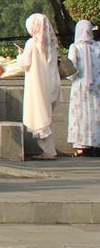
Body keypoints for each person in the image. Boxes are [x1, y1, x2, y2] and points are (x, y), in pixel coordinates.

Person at [17, 13, 62, 160]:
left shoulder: (32, 43)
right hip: (53, 85)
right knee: (46, 117)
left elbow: (25, 63)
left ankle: (49, 152)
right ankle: (49, 150)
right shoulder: (52, 43)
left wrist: (19, 55)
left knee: (39, 117)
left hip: (39, 86)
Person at [67, 19, 100, 156]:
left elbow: (71, 70)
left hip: (80, 87)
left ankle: (82, 147)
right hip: (97, 86)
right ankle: (97, 144)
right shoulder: (97, 47)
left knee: (80, 115)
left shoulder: (75, 47)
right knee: (96, 114)